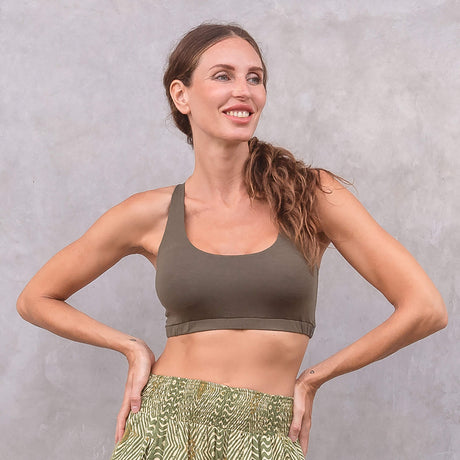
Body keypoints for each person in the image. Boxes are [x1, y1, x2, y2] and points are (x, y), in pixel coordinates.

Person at [16, 21, 448, 460]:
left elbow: (425, 308)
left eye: (254, 78)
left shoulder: (309, 194)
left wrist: (314, 378)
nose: (243, 90)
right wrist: (130, 347)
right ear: (181, 95)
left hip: (268, 433)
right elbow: (36, 298)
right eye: (223, 76)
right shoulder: (151, 213)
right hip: (166, 426)